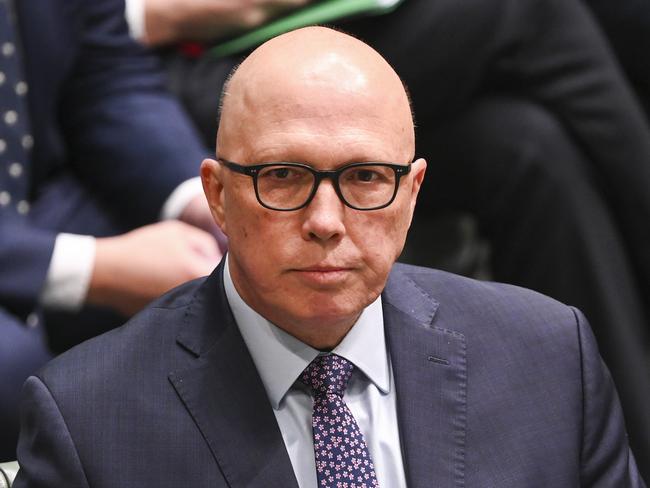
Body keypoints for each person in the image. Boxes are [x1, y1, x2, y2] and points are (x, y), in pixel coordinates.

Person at [14, 27, 644, 487]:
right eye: (284, 176)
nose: (325, 222)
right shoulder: (87, 424)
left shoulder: (552, 360)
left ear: (413, 193)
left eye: (366, 177)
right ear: (218, 196)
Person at [0, 0, 225, 460]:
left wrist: (201, 200)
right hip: (31, 233)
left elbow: (105, 79)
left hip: (34, 198)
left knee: (257, 265)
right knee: (13, 373)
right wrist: (92, 269)